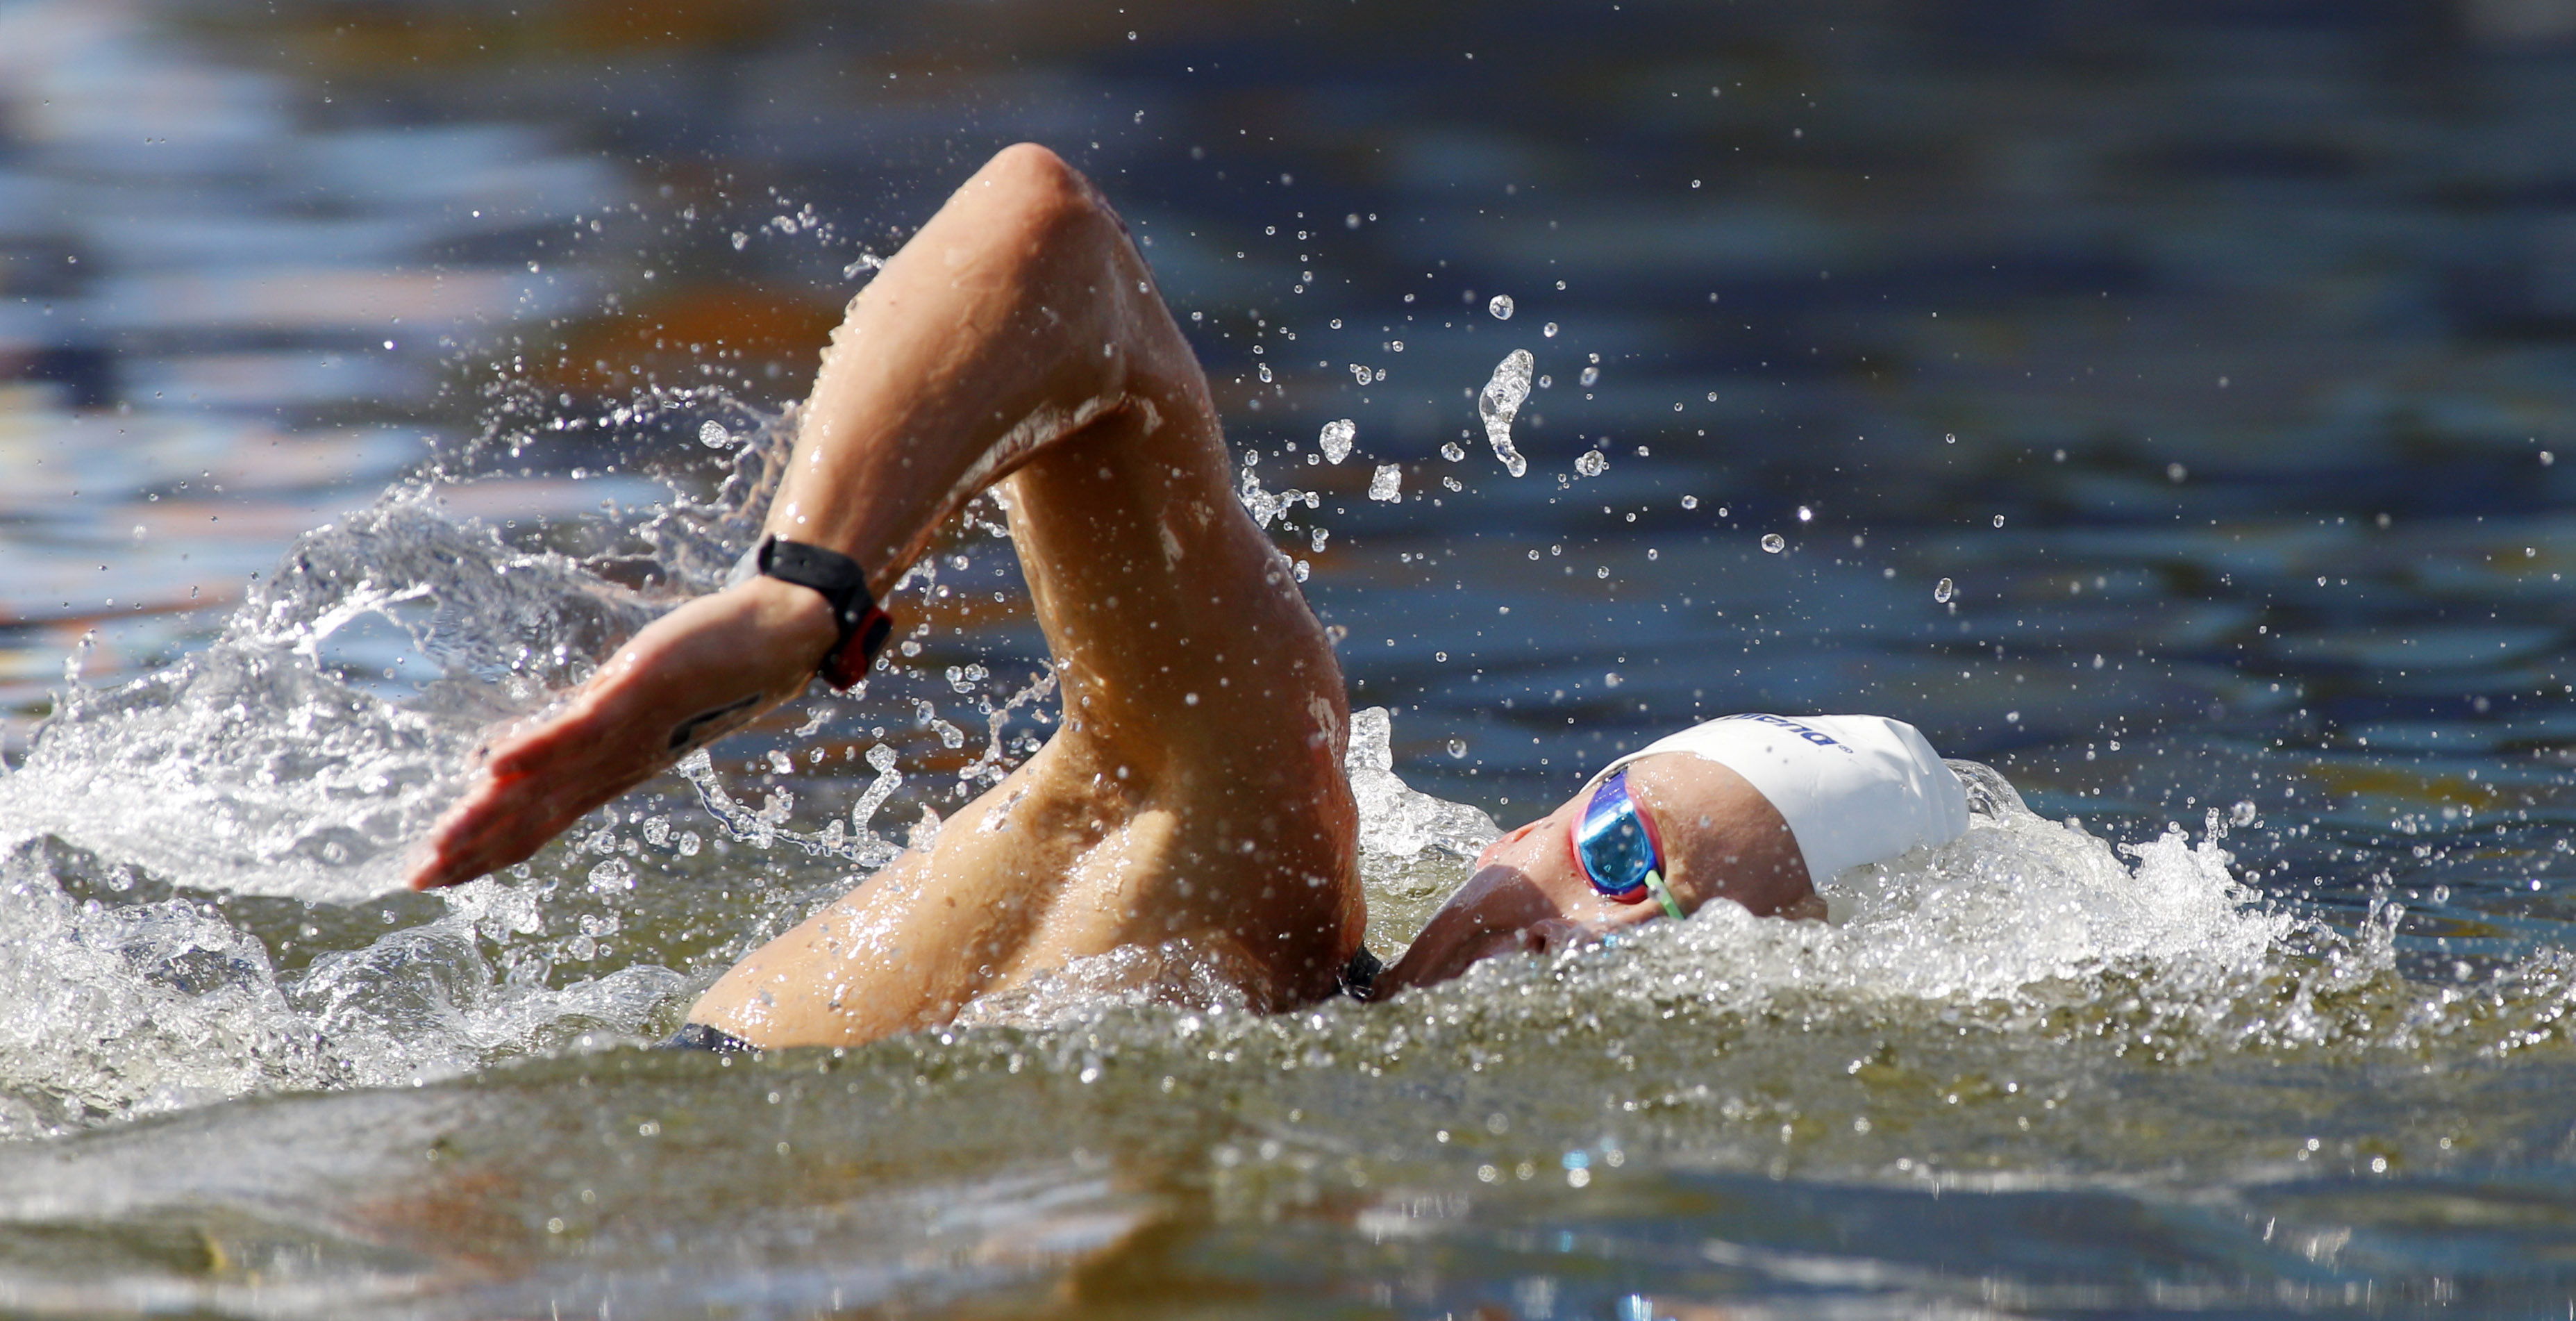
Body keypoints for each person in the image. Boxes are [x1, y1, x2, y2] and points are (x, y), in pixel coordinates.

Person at [407, 145, 1968, 1051]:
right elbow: (1048, 234)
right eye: (1621, 850)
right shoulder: (1267, 847)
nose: (1586, 935)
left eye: (1673, 933)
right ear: (1518, 832)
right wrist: (805, 595)